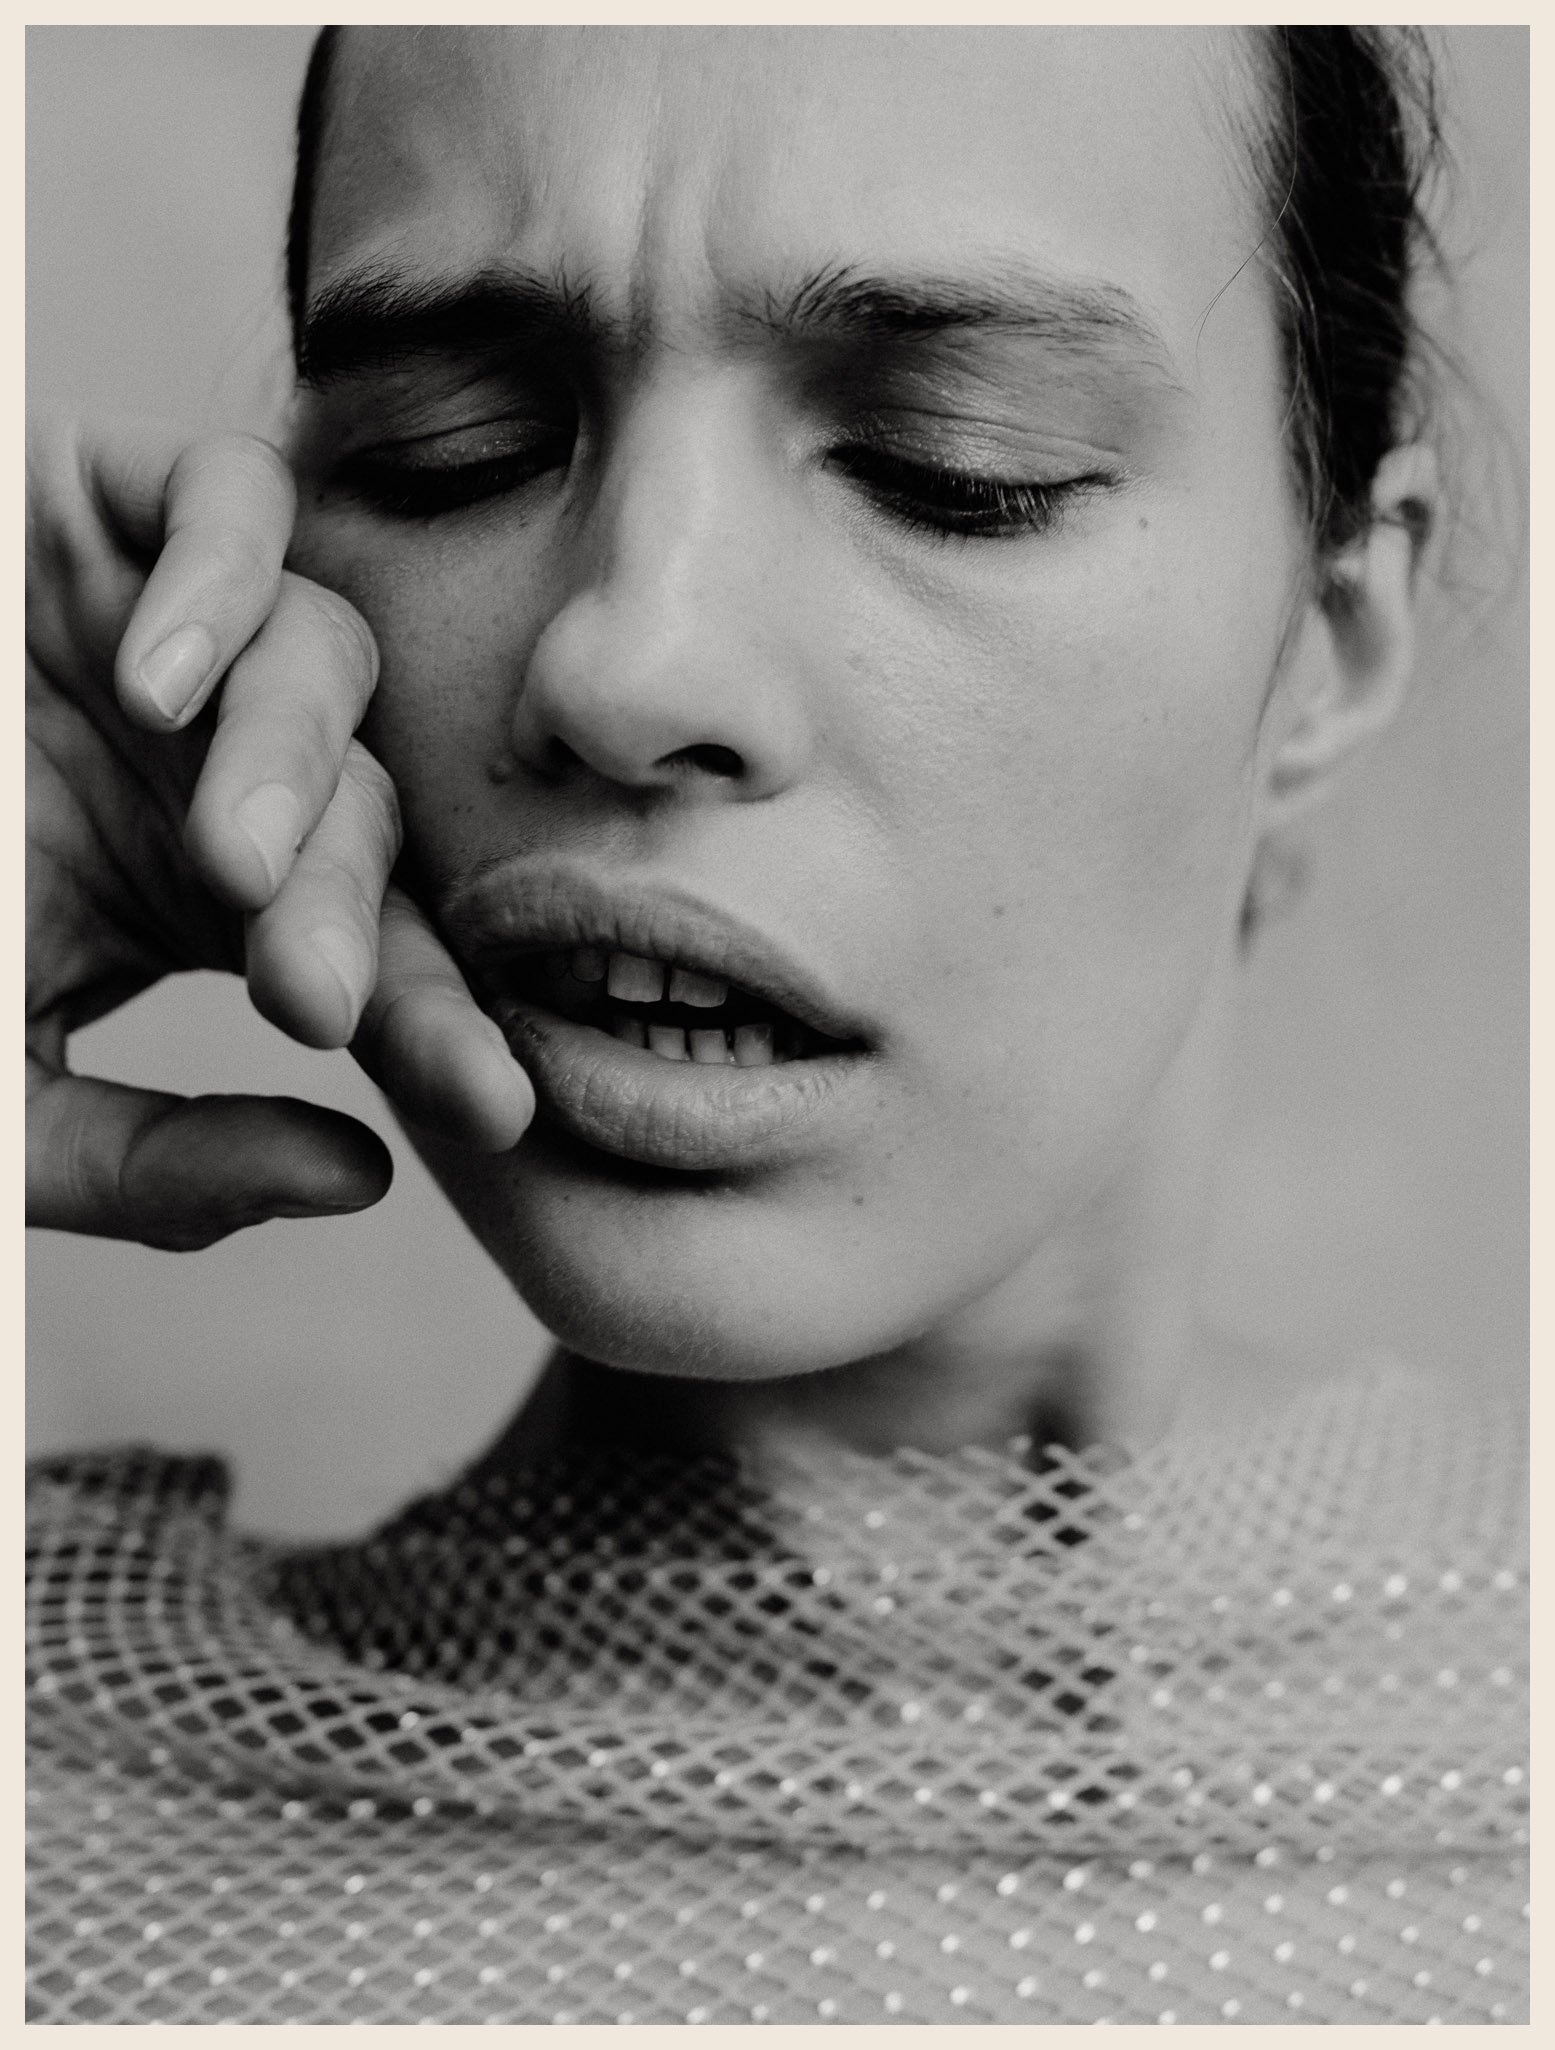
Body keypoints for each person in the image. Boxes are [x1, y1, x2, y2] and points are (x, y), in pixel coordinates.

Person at [26, 25, 1526, 2025]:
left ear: (1328, 639)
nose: (622, 660)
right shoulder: (61, 1811)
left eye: (953, 465)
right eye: (450, 445)